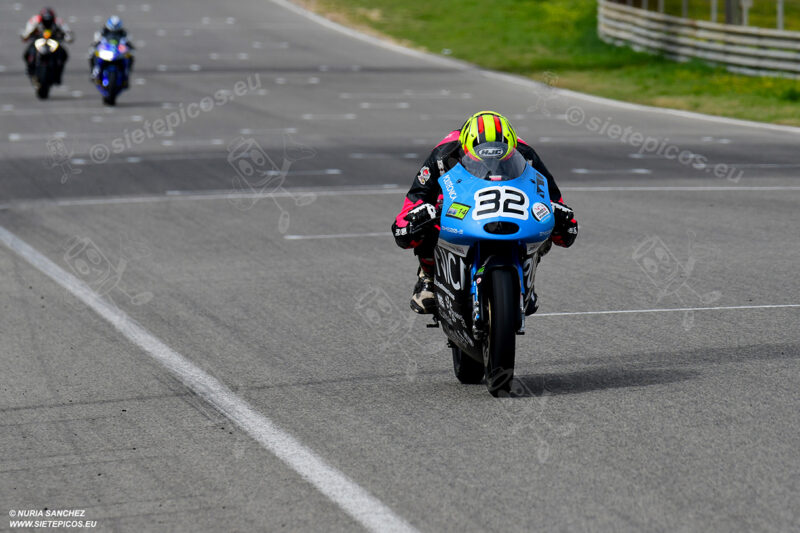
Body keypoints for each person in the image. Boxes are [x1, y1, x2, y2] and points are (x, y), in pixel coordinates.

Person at [392, 110, 578, 314]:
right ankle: (427, 276)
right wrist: (414, 220)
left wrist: (561, 217)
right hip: (462, 202)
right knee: (427, 218)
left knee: (544, 219)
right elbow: (413, 201)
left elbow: (552, 199)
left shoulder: (527, 154)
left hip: (510, 206)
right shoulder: (442, 154)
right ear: (465, 149)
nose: (491, 166)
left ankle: (526, 276)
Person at [20, 7, 73, 83]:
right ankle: (30, 70)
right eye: (45, 20)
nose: (47, 22)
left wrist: (67, 37)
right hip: (38, 41)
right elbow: (27, 31)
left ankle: (58, 74)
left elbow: (67, 32)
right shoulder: (35, 20)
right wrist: (26, 35)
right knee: (28, 53)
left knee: (64, 54)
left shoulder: (58, 21)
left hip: (53, 41)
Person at [89, 16, 135, 85]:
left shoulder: (124, 33)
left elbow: (127, 41)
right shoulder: (102, 32)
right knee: (92, 54)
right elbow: (97, 41)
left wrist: (129, 46)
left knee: (130, 56)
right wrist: (96, 44)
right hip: (106, 49)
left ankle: (126, 73)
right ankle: (94, 71)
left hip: (118, 51)